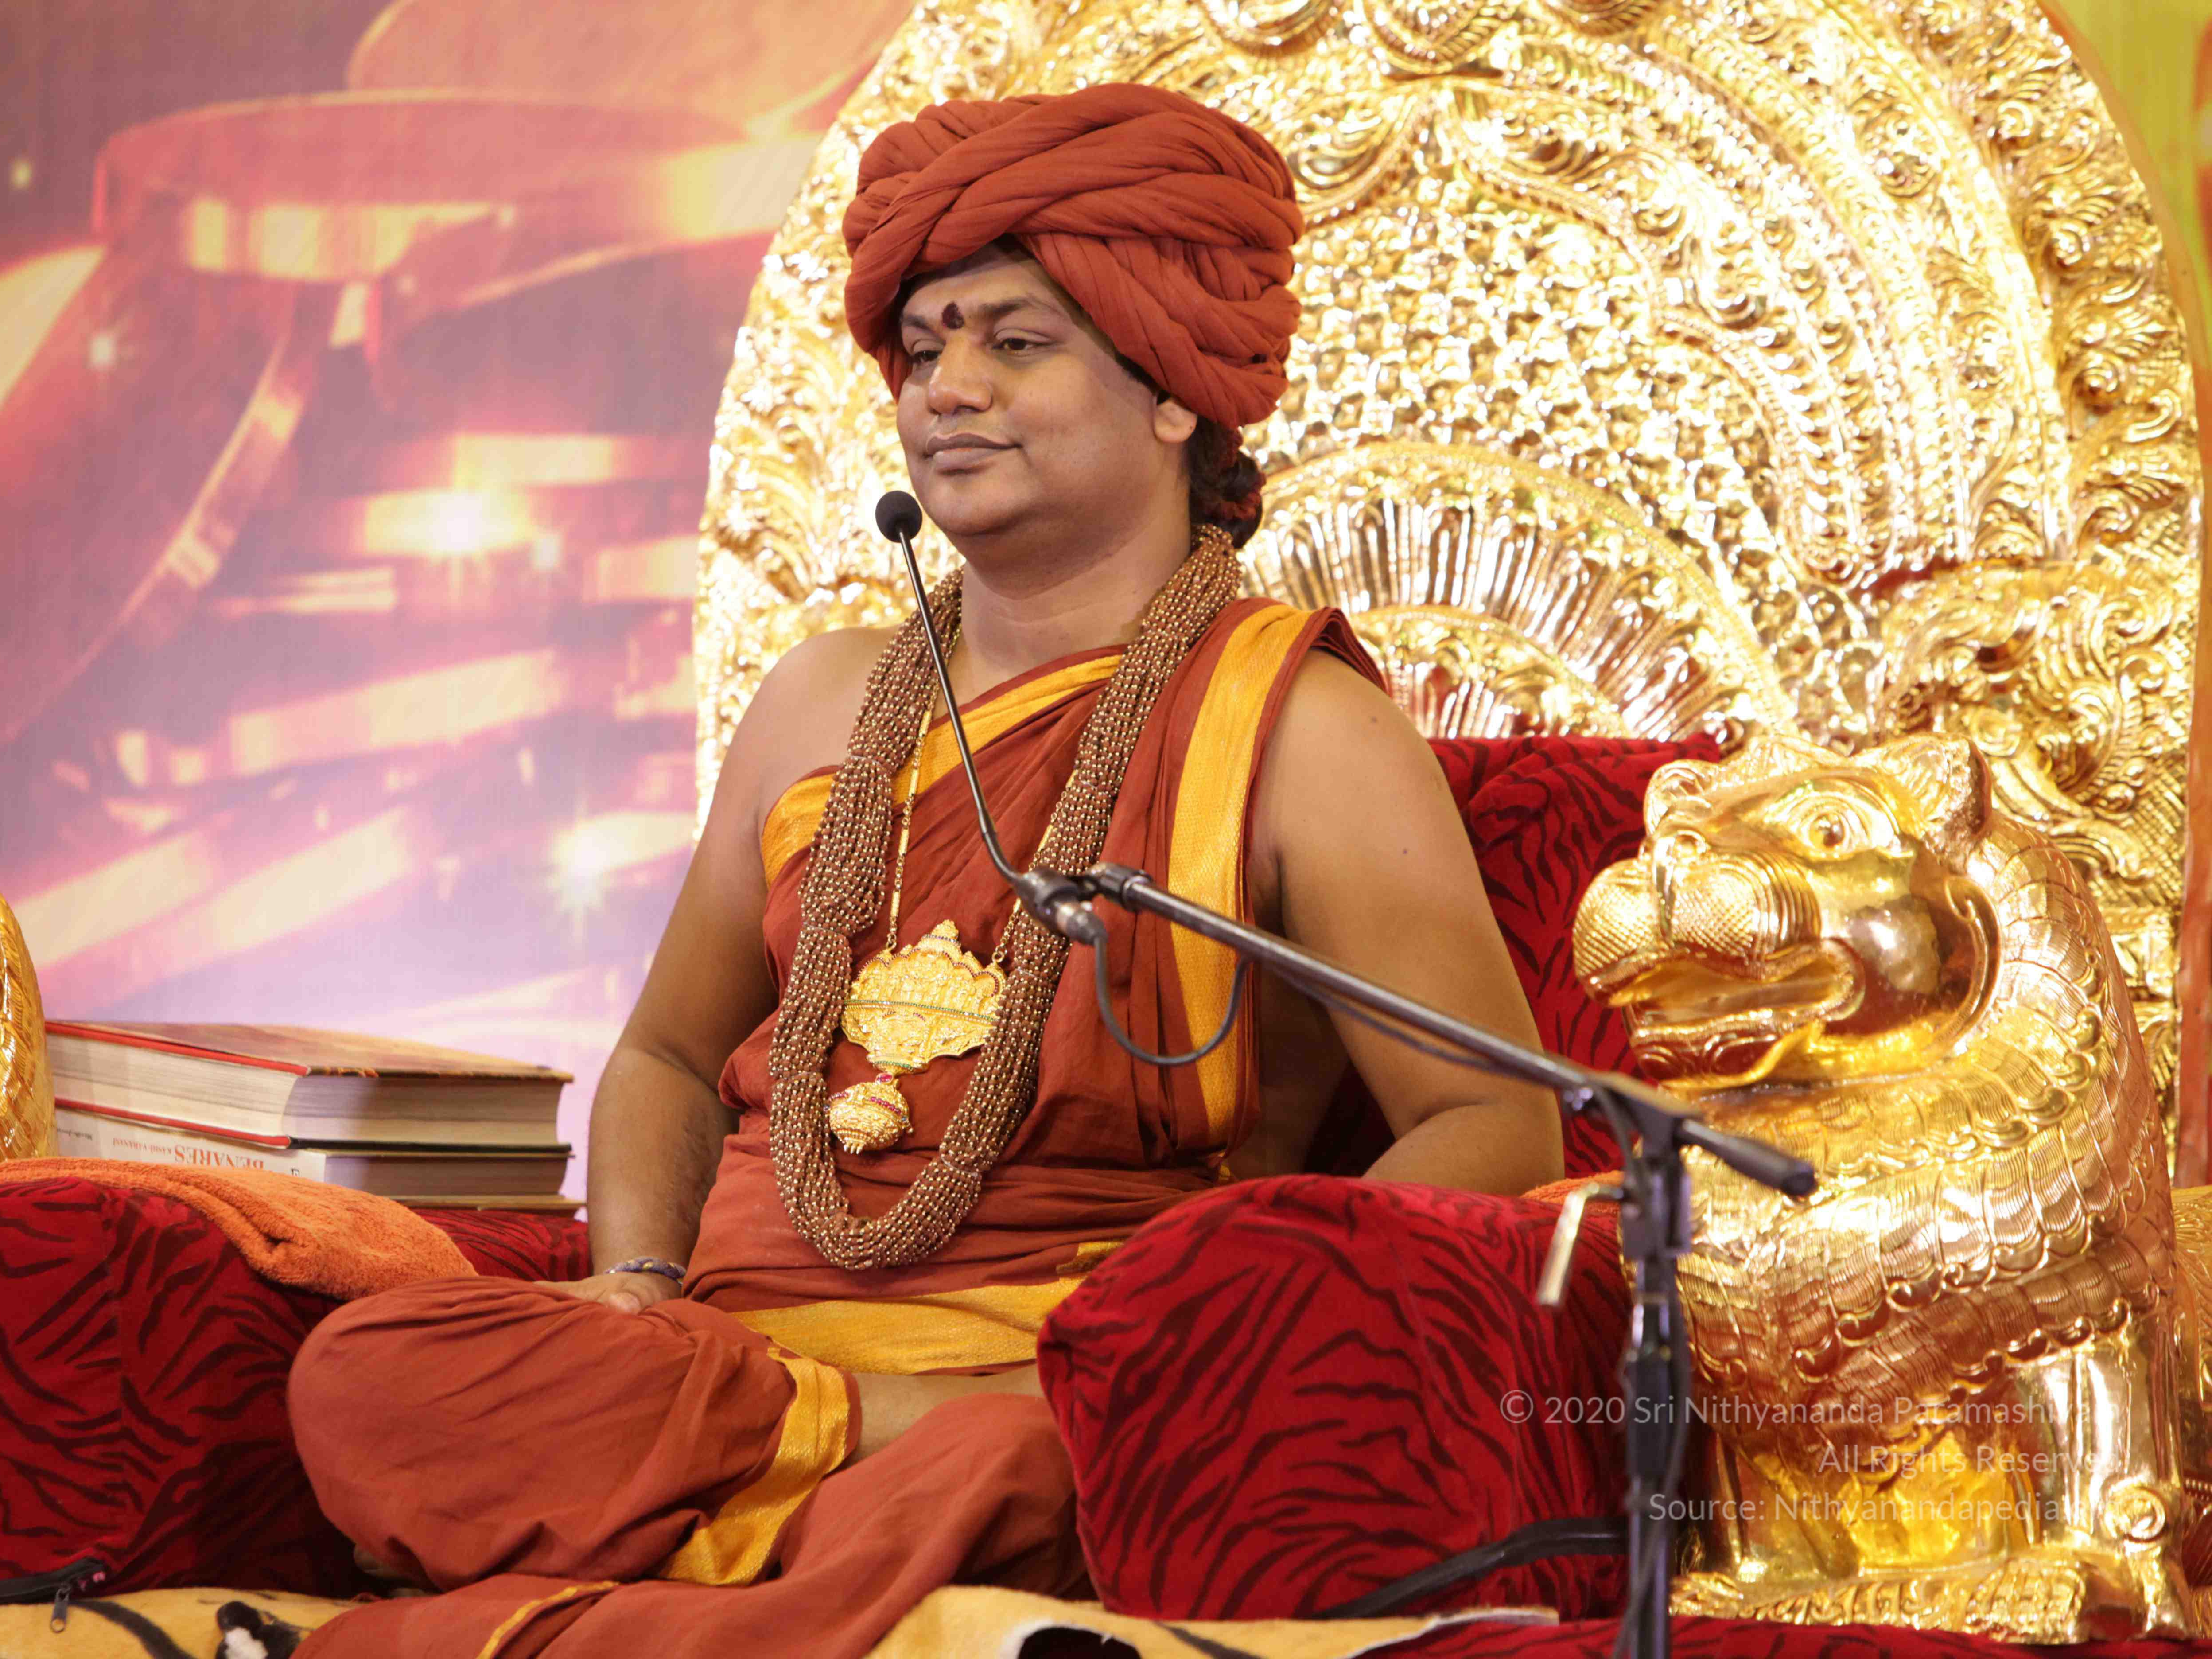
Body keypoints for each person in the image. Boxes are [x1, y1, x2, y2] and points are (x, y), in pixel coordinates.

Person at [287, 82, 1561, 1659]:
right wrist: (637, 1284)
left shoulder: (1295, 727)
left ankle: (749, 1508)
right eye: (924, 346)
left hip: (1037, 1375)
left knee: (1003, 1470)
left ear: (1174, 393)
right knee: (366, 1374)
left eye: (1016, 342)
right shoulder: (821, 698)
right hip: (717, 1355)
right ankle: (800, 1471)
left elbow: (1495, 1119)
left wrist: (1217, 1342)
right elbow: (669, 1057)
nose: (949, 388)